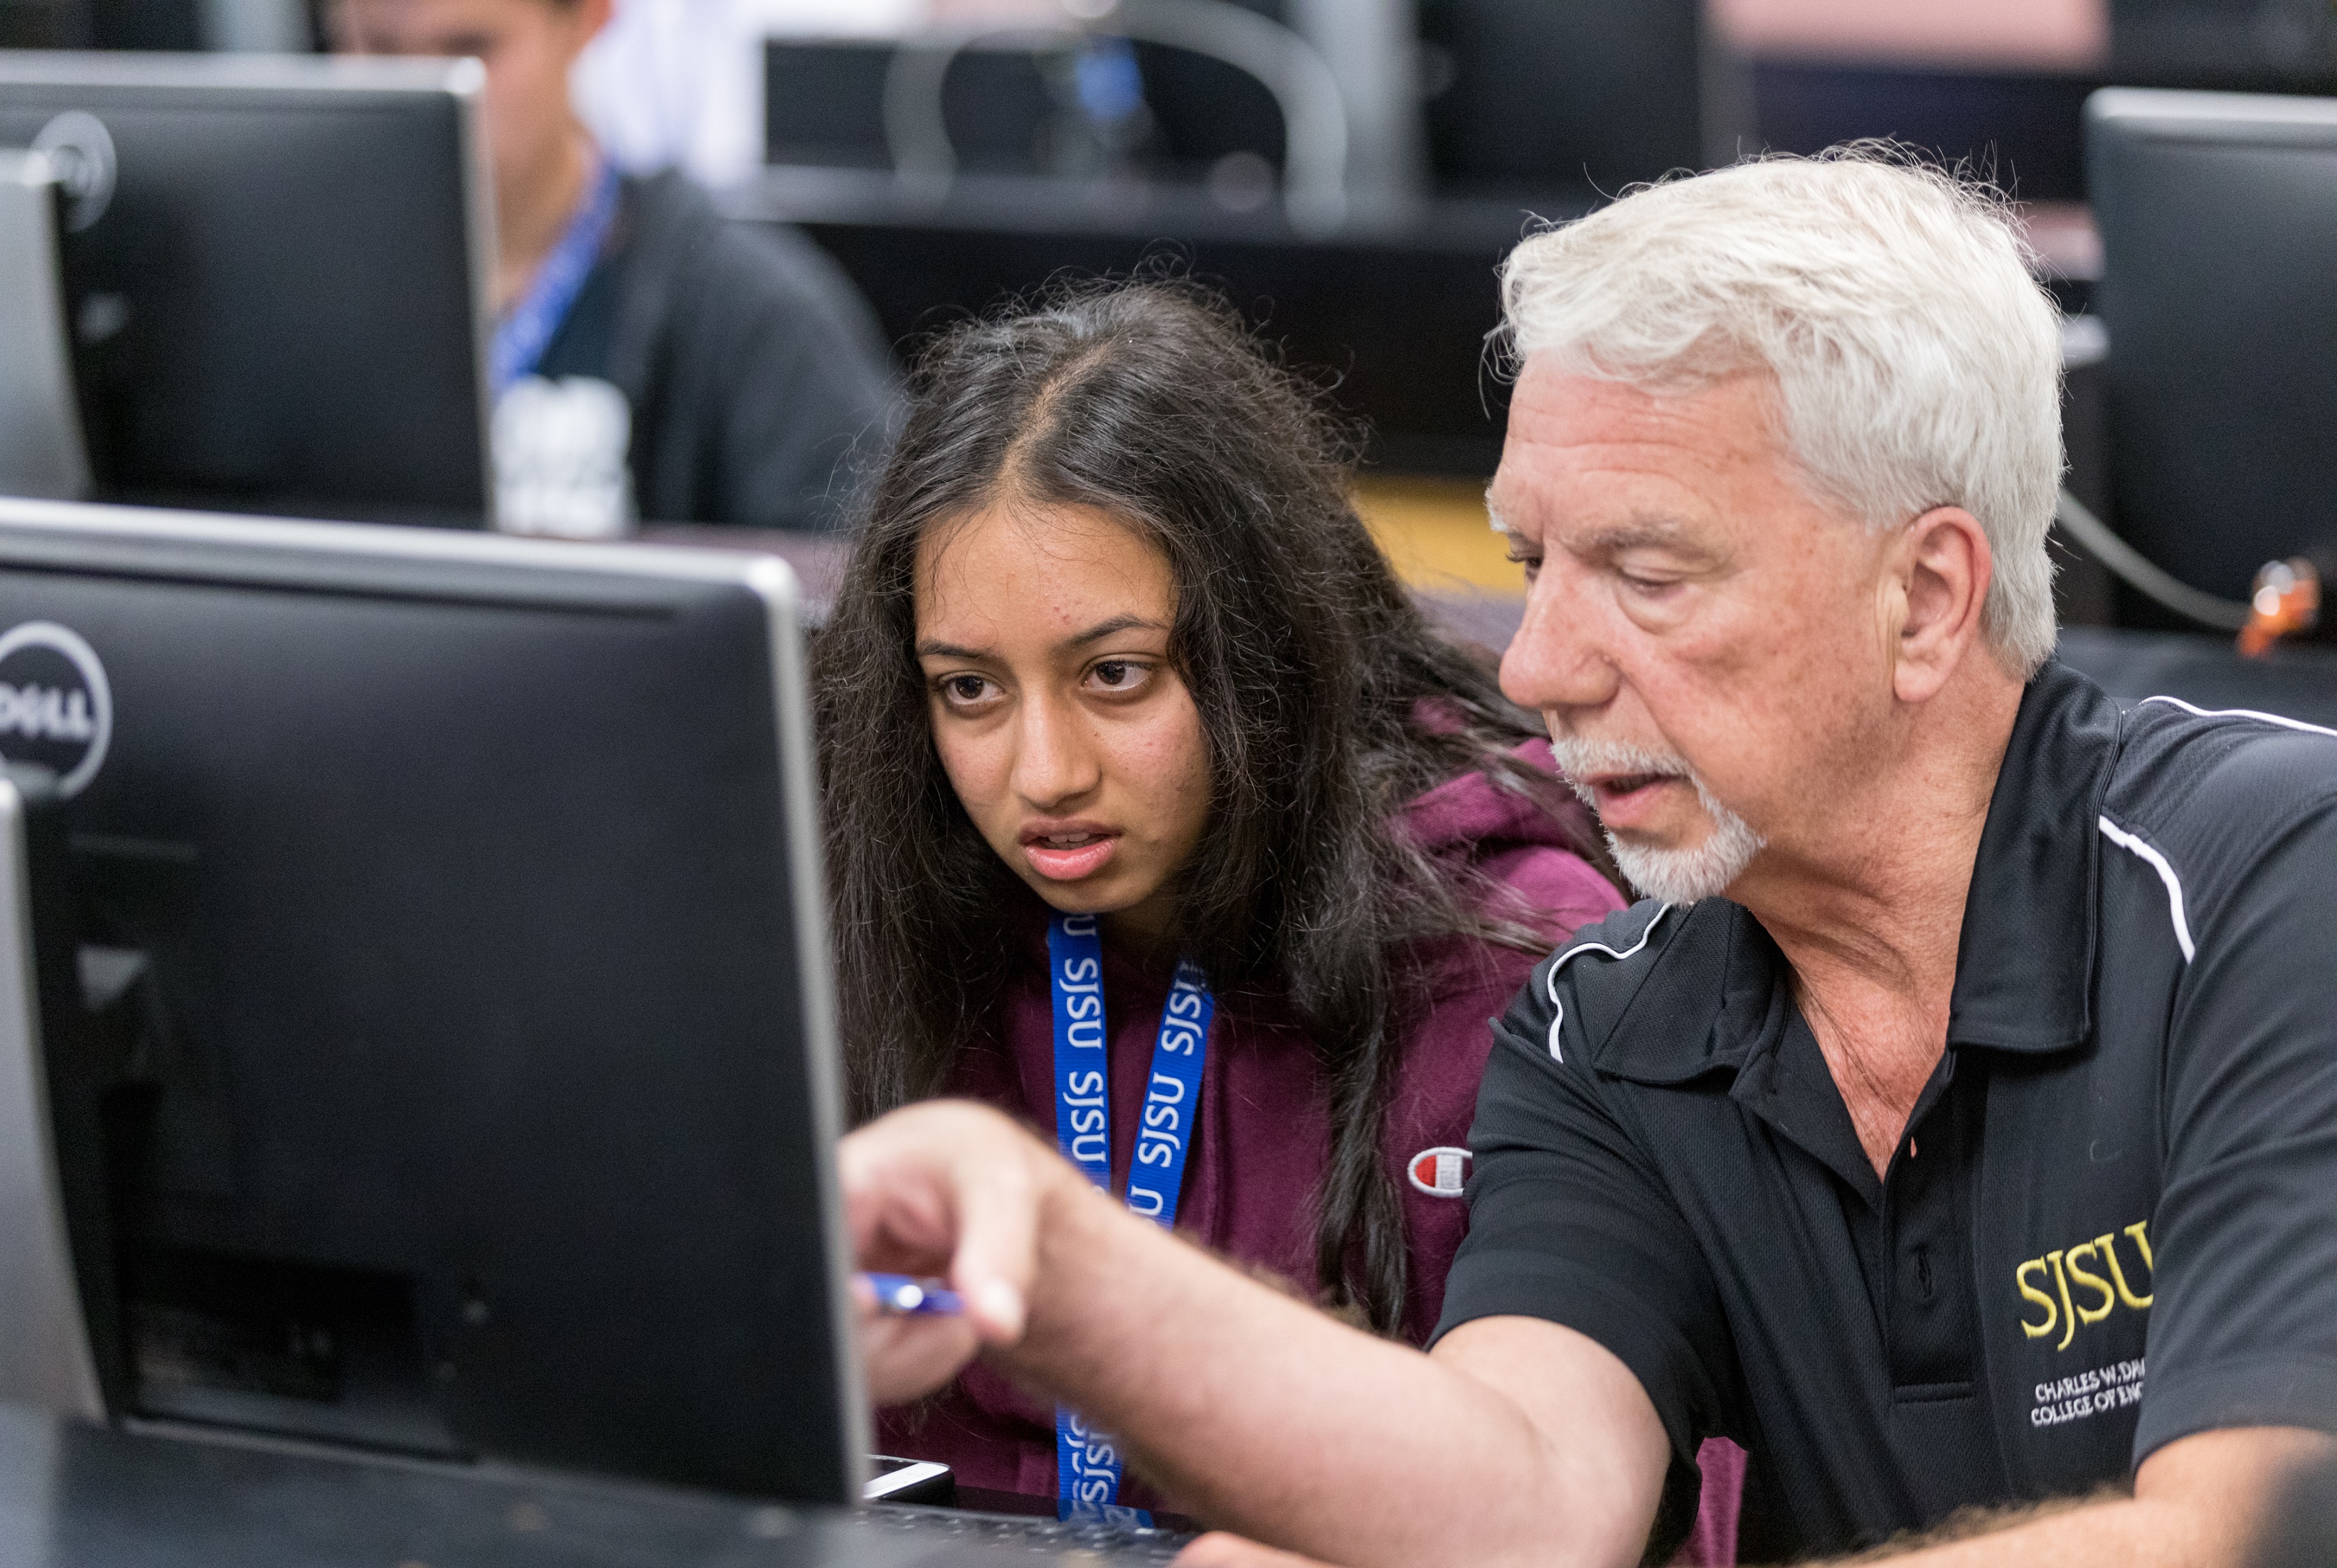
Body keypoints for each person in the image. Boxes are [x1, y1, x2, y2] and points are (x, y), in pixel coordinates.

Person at [839, 152, 2337, 1566]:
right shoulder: (1599, 1024)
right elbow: (1523, 1500)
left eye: (1645, 571)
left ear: (1928, 596)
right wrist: (1051, 1254)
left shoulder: (2270, 874)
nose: (1542, 663)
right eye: (1529, 566)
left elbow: (2242, 1533)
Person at [812, 284, 1761, 1550]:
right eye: (969, 690)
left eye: (1114, 676)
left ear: (1260, 652)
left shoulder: (1514, 955)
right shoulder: (873, 920)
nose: (1042, 771)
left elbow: (1606, 1503)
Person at [328, 0, 893, 535]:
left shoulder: (750, 311)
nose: (425, 92)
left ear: (588, 18)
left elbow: (857, 586)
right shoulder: (287, 289)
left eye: (470, 49)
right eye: (377, 47)